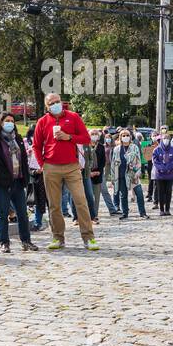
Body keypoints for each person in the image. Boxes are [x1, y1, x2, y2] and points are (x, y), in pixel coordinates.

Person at [33, 93, 98, 250]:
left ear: (61, 102)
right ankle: (58, 238)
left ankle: (88, 238)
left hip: (71, 167)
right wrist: (42, 165)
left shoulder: (73, 117)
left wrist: (68, 137)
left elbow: (85, 138)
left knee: (81, 201)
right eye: (51, 103)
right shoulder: (42, 122)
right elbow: (36, 145)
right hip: (51, 167)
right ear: (47, 107)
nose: (56, 104)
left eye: (57, 101)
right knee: (54, 205)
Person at [0, 112, 38, 254]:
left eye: (12, 121)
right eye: (7, 120)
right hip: (2, 183)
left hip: (18, 181)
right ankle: (4, 242)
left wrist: (25, 177)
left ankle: (26, 241)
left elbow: (23, 159)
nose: (10, 123)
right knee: (2, 214)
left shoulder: (18, 138)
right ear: (1, 123)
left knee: (22, 214)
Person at [114, 128, 148, 220]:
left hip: (133, 174)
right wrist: (114, 178)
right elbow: (114, 163)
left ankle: (142, 213)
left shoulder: (134, 147)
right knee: (123, 195)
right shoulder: (117, 149)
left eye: (127, 135)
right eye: (123, 135)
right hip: (121, 175)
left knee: (139, 194)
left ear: (130, 137)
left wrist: (138, 171)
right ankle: (125, 213)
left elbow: (138, 160)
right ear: (120, 137)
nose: (125, 137)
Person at [151, 131, 173, 215]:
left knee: (168, 192)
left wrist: (168, 167)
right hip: (160, 175)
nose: (166, 140)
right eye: (164, 138)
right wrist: (162, 168)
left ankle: (167, 209)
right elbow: (155, 161)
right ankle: (161, 210)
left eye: (168, 139)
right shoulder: (157, 149)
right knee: (161, 192)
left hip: (170, 174)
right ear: (161, 140)